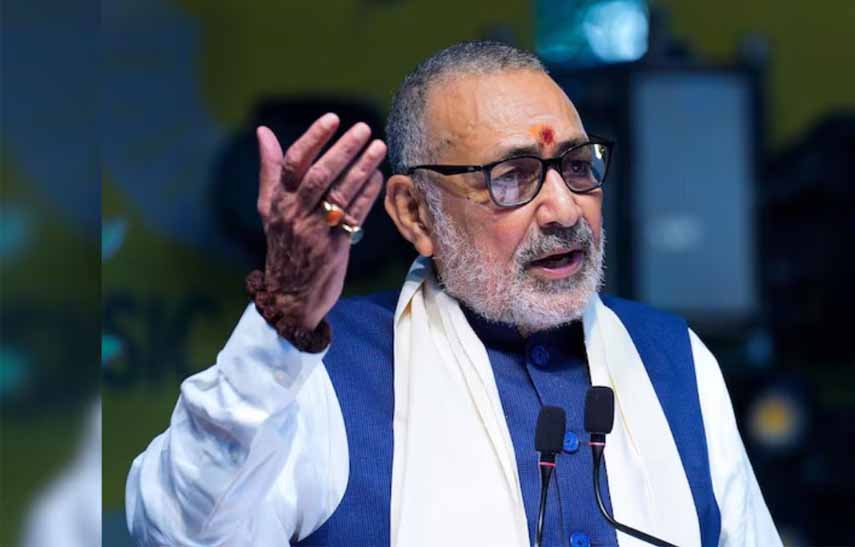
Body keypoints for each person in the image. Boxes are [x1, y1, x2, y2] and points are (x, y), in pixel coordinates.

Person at [126, 41, 781, 547]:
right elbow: (179, 532)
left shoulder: (675, 360)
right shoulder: (326, 372)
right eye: (513, 176)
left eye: (578, 166)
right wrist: (283, 321)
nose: (564, 209)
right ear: (415, 214)